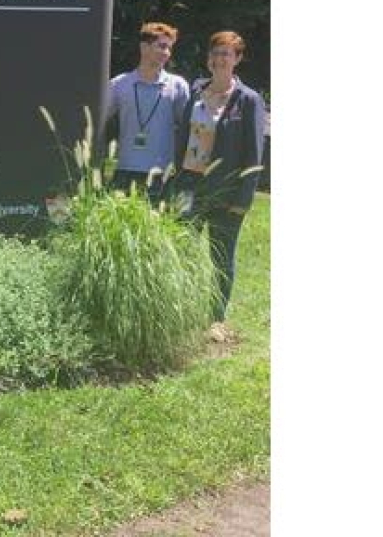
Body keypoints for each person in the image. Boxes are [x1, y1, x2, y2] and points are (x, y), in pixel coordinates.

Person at [173, 31, 266, 339]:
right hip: (188, 187)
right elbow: (182, 139)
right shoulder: (196, 91)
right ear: (209, 58)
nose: (220, 59)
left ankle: (216, 317)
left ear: (237, 59)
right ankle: (181, 308)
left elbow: (254, 154)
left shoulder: (249, 100)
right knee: (181, 247)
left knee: (221, 255)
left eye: (227, 54)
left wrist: (243, 199)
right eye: (216, 53)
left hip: (225, 194)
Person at [103, 22, 191, 200]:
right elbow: (99, 120)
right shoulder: (119, 84)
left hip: (162, 173)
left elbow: (187, 129)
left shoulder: (178, 85)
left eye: (169, 48)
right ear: (144, 47)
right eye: (162, 46)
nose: (167, 53)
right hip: (125, 169)